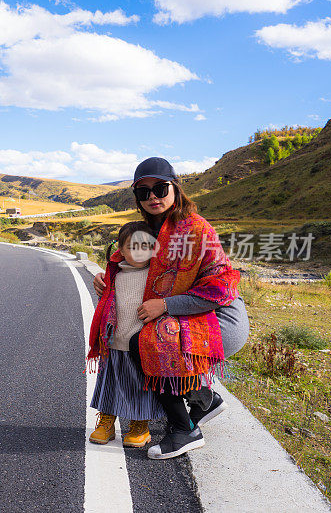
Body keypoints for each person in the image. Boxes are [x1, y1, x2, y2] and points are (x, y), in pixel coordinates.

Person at [89, 157, 248, 459]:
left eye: (160, 189)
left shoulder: (196, 229)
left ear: (175, 188)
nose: (152, 197)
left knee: (145, 343)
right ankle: (203, 401)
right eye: (143, 192)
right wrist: (106, 275)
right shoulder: (152, 227)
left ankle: (185, 431)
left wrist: (164, 304)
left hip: (220, 317)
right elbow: (133, 260)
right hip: (185, 311)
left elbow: (221, 287)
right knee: (142, 337)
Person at [88, 220, 165, 448]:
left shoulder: (156, 276)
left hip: (140, 345)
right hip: (113, 343)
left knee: (140, 386)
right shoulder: (113, 276)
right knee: (109, 384)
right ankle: (106, 422)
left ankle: (140, 425)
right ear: (120, 250)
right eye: (132, 247)